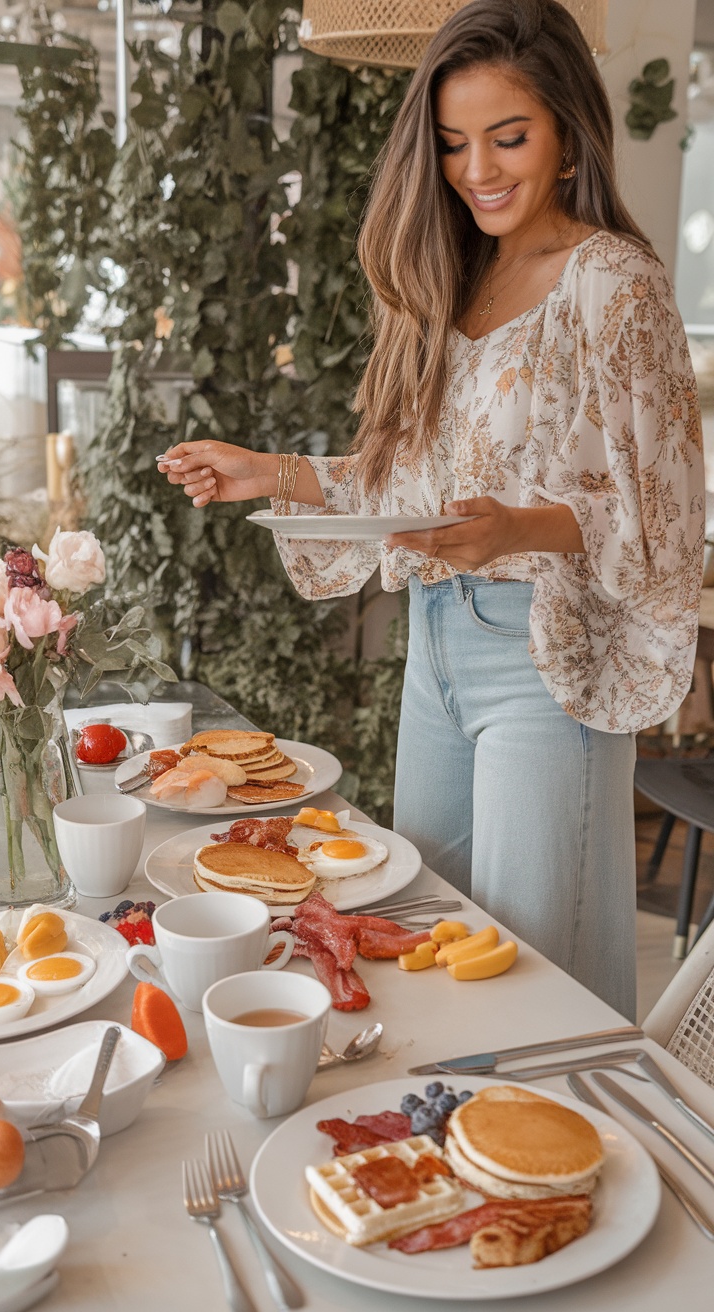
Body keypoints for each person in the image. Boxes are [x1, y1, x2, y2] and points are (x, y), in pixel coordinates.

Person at [158, 0, 704, 1020]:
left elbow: (664, 516)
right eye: (453, 143)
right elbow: (405, 484)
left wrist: (515, 528)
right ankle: (449, 1158)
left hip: (542, 656)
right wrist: (266, 472)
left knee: (532, 979)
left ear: (568, 132)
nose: (478, 169)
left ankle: (557, 1169)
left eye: (509, 136)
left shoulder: (612, 283)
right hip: (438, 644)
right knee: (430, 943)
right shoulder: (456, 278)